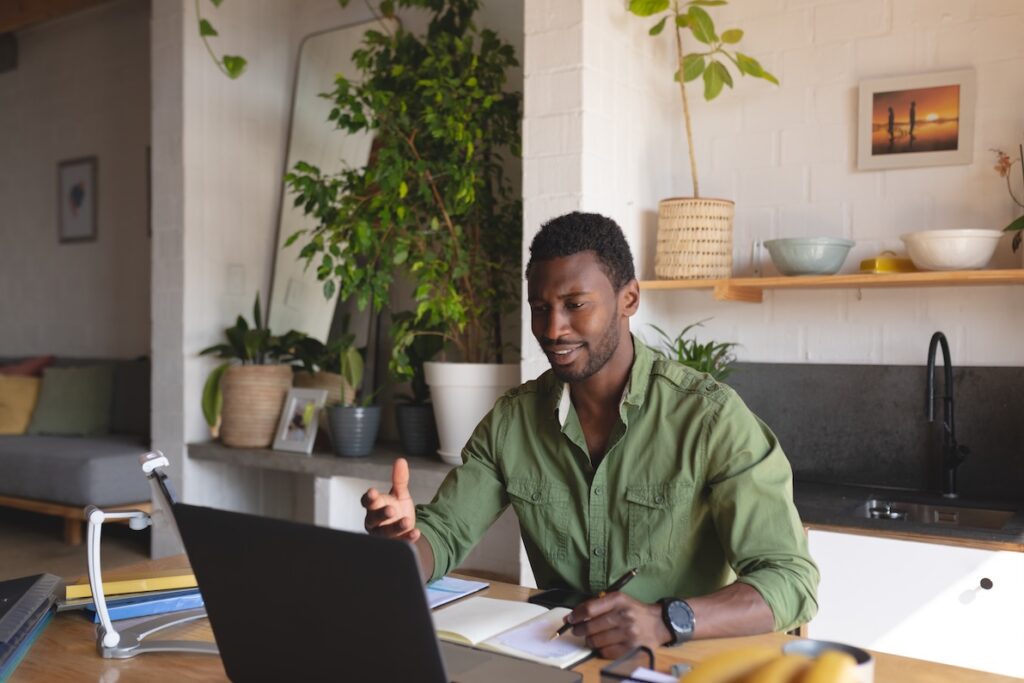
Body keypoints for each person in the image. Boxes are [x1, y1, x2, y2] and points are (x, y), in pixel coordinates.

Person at [362, 212, 819, 659]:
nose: (552, 329)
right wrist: (404, 548)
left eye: (575, 305)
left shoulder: (710, 419)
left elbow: (789, 579)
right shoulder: (512, 420)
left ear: (629, 299)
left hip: (681, 664)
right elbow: (443, 533)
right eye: (540, 308)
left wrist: (664, 621)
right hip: (562, 655)